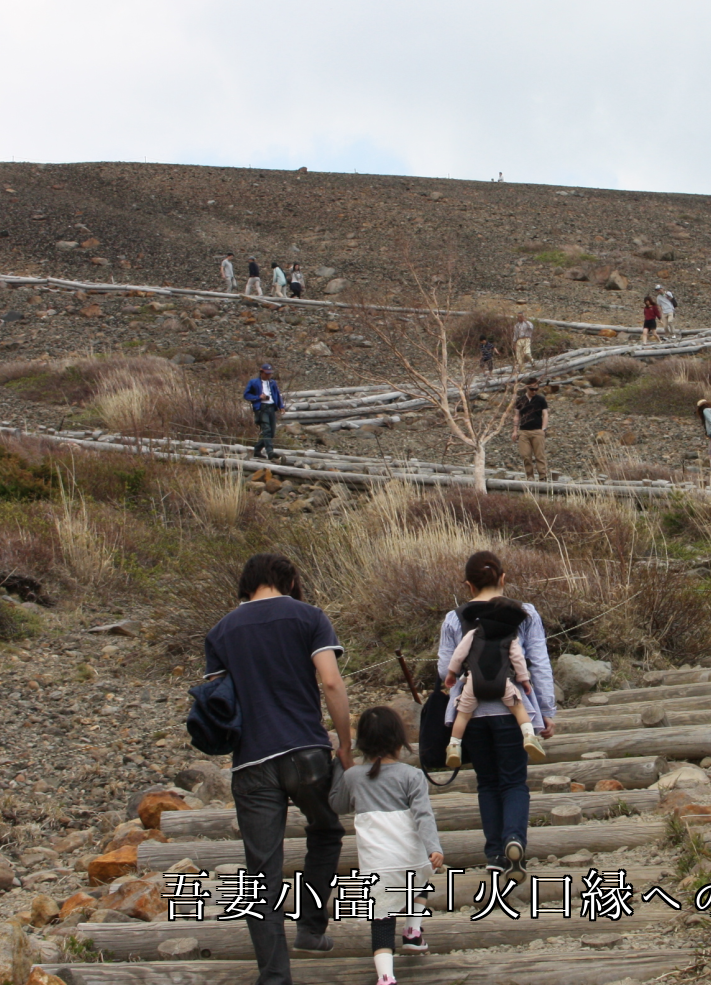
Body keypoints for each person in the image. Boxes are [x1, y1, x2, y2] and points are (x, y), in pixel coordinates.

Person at [202, 553, 354, 981]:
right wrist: (344, 743)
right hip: (305, 752)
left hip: (250, 762)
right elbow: (330, 681)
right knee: (326, 832)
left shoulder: (221, 632)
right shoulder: (308, 617)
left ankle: (274, 975)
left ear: (247, 584)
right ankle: (309, 926)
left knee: (261, 872)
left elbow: (219, 703)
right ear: (288, 580)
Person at [436, 552, 555, 881]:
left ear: (468, 585)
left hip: (470, 713)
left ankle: (493, 855)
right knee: (514, 781)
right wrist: (546, 713)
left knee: (487, 783)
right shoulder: (525, 614)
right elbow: (539, 666)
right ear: (503, 578)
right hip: (514, 711)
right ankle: (514, 839)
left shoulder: (454, 618)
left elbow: (445, 667)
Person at [328, 707, 442, 985]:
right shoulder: (411, 775)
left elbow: (337, 804)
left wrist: (342, 764)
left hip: (378, 866)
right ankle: (413, 934)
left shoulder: (353, 777)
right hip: (415, 860)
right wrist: (433, 847)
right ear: (399, 740)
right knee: (423, 881)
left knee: (381, 918)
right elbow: (423, 815)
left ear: (362, 744)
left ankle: (386, 976)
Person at [442, 596, 547, 764]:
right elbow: (518, 660)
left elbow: (458, 654)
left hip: (473, 682)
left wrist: (451, 673)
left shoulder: (474, 633)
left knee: (463, 715)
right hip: (502, 683)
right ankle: (528, 736)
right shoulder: (510, 637)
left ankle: (454, 746)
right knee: (519, 708)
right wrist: (524, 680)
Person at [244, 363, 284, 459]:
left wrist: (281, 406)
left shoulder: (273, 383)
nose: (268, 375)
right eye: (266, 373)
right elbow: (246, 395)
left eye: (270, 374)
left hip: (271, 407)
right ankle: (270, 452)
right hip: (261, 408)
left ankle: (257, 450)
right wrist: (258, 397)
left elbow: (277, 395)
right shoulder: (253, 382)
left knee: (272, 432)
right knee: (266, 430)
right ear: (261, 372)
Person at [512, 380, 549, 481]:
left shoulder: (541, 399)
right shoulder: (520, 400)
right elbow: (517, 415)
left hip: (537, 430)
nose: (534, 391)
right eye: (532, 389)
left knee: (539, 455)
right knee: (525, 455)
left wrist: (543, 429)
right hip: (524, 431)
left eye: (536, 389)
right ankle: (530, 476)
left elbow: (545, 414)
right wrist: (515, 431)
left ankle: (543, 476)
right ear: (527, 388)